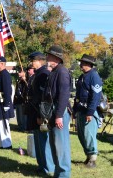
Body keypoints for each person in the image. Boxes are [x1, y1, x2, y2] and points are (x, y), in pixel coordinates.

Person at [43, 45, 71, 177]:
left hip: (60, 111)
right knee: (55, 145)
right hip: (53, 111)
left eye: (49, 55)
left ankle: (64, 174)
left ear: (55, 58)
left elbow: (64, 95)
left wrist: (59, 115)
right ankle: (58, 173)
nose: (47, 57)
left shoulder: (62, 72)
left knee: (61, 146)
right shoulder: (54, 72)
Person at [27, 51, 55, 175]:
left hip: (41, 112)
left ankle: (47, 168)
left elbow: (45, 98)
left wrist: (41, 116)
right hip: (35, 110)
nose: (31, 63)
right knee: (38, 141)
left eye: (33, 61)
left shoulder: (43, 74)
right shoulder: (37, 74)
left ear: (39, 61)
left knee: (44, 141)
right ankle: (41, 165)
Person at [73, 54, 102, 168]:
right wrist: (75, 109)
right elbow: (78, 95)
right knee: (82, 135)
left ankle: (93, 159)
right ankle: (88, 156)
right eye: (81, 62)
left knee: (89, 135)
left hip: (89, 110)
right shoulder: (81, 77)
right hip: (80, 109)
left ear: (89, 64)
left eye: (83, 63)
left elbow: (95, 96)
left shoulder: (94, 76)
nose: (81, 64)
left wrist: (90, 112)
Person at [0, 56, 15, 149]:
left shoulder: (5, 74)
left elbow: (7, 91)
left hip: (3, 103)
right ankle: (3, 143)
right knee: (0, 124)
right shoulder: (1, 74)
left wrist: (7, 104)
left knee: (4, 125)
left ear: (2, 64)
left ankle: (7, 144)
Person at [14, 65, 34, 131]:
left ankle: (24, 127)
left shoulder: (27, 79)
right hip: (17, 100)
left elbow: (28, 88)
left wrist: (25, 80)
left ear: (23, 73)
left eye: (20, 72)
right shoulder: (18, 80)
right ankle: (20, 126)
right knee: (18, 115)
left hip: (23, 100)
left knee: (23, 115)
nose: (18, 73)